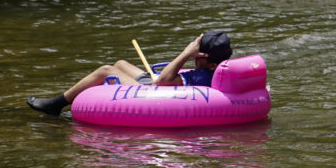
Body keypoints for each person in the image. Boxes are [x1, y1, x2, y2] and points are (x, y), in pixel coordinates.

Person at [26, 29, 232, 116]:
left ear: (211, 64)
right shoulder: (213, 70)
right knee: (121, 63)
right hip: (158, 84)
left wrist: (185, 53)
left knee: (107, 70)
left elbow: (162, 83)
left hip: (157, 91)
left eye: (198, 57)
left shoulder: (201, 76)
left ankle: (57, 104)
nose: (194, 59)